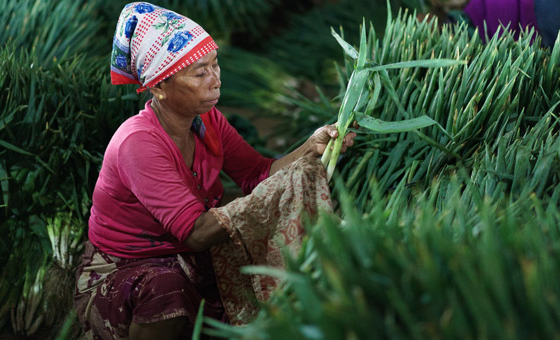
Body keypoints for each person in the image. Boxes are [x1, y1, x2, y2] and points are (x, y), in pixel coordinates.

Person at [73, 2, 356, 340]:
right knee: (168, 292)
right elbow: (195, 232)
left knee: (266, 270)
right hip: (129, 268)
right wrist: (263, 205)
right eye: (199, 73)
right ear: (159, 87)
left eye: (215, 65)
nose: (216, 79)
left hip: (189, 255)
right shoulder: (139, 143)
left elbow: (256, 174)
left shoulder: (206, 120)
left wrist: (311, 146)